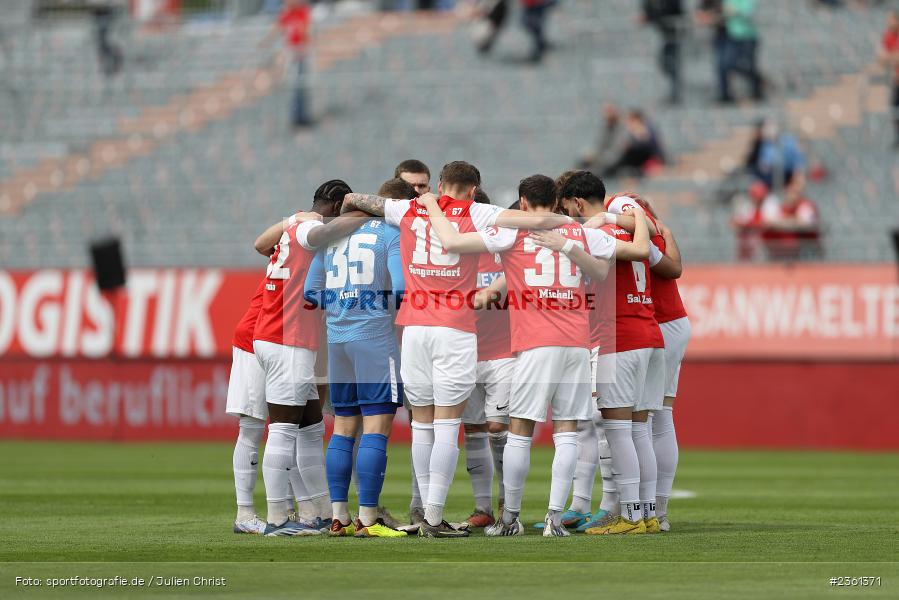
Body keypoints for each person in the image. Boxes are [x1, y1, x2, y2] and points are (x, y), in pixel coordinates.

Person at [340, 161, 573, 537]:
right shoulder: (480, 212)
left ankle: (421, 515)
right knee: (450, 426)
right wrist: (571, 225)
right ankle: (434, 517)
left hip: (413, 329)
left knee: (423, 426)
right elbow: (535, 222)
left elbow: (359, 199)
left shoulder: (408, 208)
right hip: (455, 328)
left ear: (441, 183)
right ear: (473, 188)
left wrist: (339, 209)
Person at [419, 174, 617, 537]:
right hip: (576, 342)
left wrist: (431, 204)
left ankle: (509, 518)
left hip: (535, 344)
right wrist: (577, 240)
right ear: (557, 199)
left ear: (522, 204)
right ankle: (555, 520)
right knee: (568, 432)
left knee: (521, 432)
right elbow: (604, 268)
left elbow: (451, 241)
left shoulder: (511, 233)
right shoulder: (578, 231)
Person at [251, 180, 367, 536]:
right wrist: (366, 212)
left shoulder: (293, 225)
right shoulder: (310, 228)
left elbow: (260, 245)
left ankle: (315, 511)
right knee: (284, 430)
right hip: (287, 339)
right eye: (343, 210)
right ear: (334, 204)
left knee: (311, 427)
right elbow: (321, 235)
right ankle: (276, 519)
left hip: (280, 336)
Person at [304, 178, 412, 538]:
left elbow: (310, 291)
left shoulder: (332, 237)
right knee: (377, 431)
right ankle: (369, 519)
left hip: (338, 341)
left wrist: (341, 304)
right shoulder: (388, 234)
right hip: (374, 340)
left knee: (343, 429)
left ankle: (339, 516)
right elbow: (399, 289)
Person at [459, 188, 512, 529]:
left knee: (498, 428)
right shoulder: (456, 250)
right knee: (474, 429)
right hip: (464, 349)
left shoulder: (505, 247)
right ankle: (483, 508)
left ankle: (509, 503)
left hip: (504, 351)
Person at [262, 0, 314, 128]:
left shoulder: (302, 12)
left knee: (300, 86)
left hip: (300, 52)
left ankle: (300, 116)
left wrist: (304, 45)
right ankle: (296, 116)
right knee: (295, 85)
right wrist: (265, 42)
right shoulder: (288, 14)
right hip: (292, 51)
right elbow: (277, 28)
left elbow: (306, 31)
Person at [719, 0, 763, 103]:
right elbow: (724, 14)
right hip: (733, 36)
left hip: (747, 36)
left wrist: (735, 11)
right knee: (728, 64)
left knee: (749, 65)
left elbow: (749, 13)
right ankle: (758, 81)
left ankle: (757, 92)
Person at [642, 0, 684, 104]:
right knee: (664, 64)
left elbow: (678, 13)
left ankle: (675, 93)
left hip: (674, 36)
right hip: (661, 36)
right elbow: (648, 13)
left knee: (673, 64)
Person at [603, 110, 666, 178]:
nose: (628, 125)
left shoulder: (645, 131)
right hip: (635, 164)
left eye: (630, 121)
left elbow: (648, 147)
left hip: (650, 164)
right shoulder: (633, 135)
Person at [878, 10, 899, 147]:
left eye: (893, 20)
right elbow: (881, 59)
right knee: (894, 110)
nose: (890, 23)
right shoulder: (888, 36)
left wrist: (890, 57)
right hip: (897, 79)